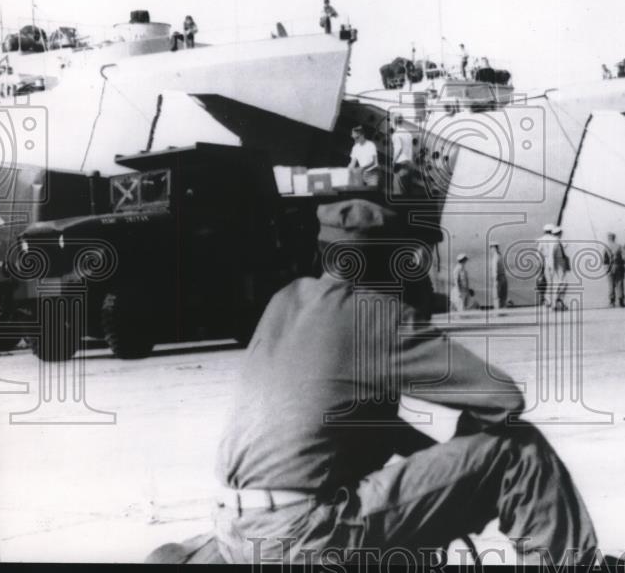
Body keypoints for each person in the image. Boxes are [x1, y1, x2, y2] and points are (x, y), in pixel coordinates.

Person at [175, 199, 599, 566]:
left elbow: (362, 427)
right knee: (518, 451)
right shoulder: (374, 313)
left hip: (236, 532)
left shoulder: (284, 300)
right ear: (387, 263)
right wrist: (469, 459)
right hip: (305, 537)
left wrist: (451, 468)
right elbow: (504, 400)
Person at [390, 114, 416, 196]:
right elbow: (411, 150)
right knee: (406, 192)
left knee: (398, 190)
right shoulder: (408, 134)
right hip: (409, 165)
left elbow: (398, 148)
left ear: (394, 122)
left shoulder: (396, 134)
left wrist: (393, 161)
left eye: (391, 121)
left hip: (401, 164)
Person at [550, 226, 570, 311]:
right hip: (558, 265)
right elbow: (552, 255)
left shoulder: (557, 242)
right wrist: (553, 266)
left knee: (561, 284)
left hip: (561, 264)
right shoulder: (555, 243)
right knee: (562, 283)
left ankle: (558, 302)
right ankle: (557, 302)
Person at [603, 232, 625, 308]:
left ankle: (612, 301)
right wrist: (622, 262)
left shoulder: (606, 247)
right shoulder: (619, 246)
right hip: (618, 266)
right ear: (614, 238)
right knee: (620, 283)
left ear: (609, 239)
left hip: (609, 267)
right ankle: (621, 301)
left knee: (611, 284)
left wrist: (606, 268)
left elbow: (604, 260)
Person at [535, 224, 556, 307]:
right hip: (554, 262)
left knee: (549, 282)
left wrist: (541, 264)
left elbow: (538, 253)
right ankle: (554, 300)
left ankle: (548, 300)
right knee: (555, 282)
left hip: (546, 262)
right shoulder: (555, 239)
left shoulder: (541, 240)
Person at [490, 243, 508, 310]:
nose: (491, 250)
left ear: (494, 248)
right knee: (503, 296)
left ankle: (497, 312)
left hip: (498, 278)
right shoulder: (500, 256)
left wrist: (495, 281)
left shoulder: (495, 257)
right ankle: (503, 312)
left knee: (496, 296)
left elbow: (495, 270)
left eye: (491, 248)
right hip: (503, 277)